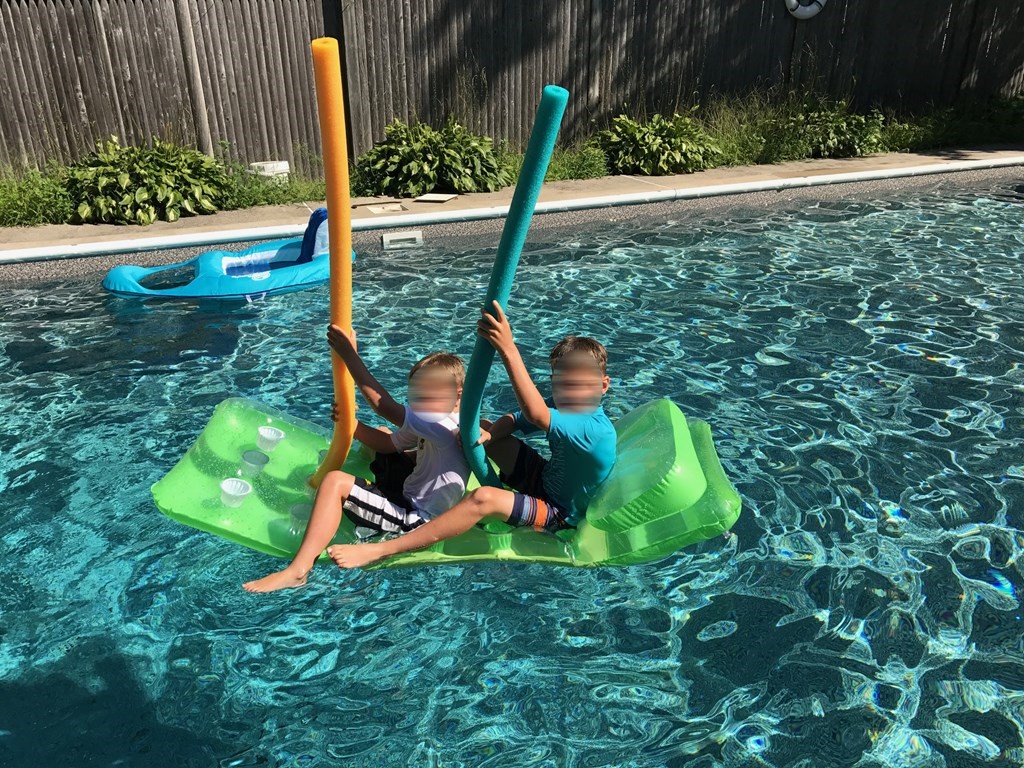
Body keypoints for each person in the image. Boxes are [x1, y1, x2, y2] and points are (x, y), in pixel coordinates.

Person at [326, 300, 616, 569]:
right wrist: (488, 437)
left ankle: (383, 549)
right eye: (561, 383)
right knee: (485, 429)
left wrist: (508, 349)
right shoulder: (564, 406)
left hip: (558, 512)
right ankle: (428, 460)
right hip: (544, 479)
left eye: (580, 384)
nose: (569, 391)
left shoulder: (592, 429)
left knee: (484, 498)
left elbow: (535, 413)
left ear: (604, 385)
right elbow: (515, 419)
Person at [242, 324, 469, 592]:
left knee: (334, 481)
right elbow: (388, 444)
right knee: (385, 434)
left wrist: (350, 356)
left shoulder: (442, 426)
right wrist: (352, 425)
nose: (421, 401)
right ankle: (360, 499)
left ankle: (298, 570)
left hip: (416, 520)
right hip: (411, 491)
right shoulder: (437, 421)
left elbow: (382, 405)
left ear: (458, 396)